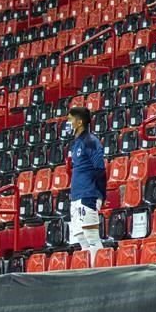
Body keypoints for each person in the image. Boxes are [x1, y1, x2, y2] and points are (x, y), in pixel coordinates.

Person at [66, 107, 106, 265]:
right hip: (76, 196)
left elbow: (100, 169)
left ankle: (100, 272)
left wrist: (101, 194)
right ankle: (89, 270)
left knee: (91, 237)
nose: (68, 123)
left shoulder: (90, 141)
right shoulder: (75, 143)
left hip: (88, 195)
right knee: (80, 237)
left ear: (79, 122)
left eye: (70, 120)